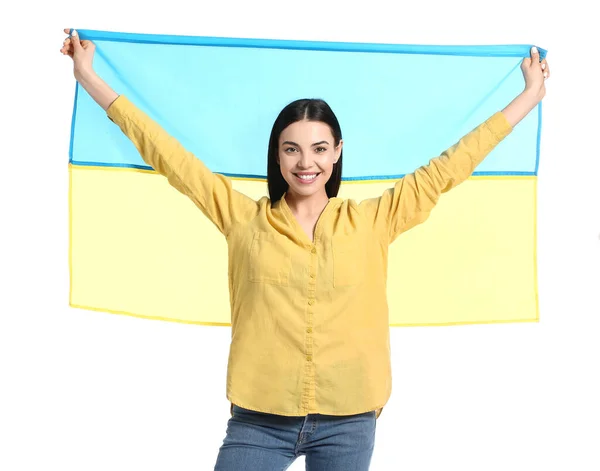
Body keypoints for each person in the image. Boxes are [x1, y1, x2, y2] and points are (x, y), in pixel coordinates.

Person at [60, 28, 550, 471]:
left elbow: (452, 164)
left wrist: (530, 95)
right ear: (276, 154)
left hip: (349, 418)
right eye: (291, 148)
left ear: (336, 152)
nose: (305, 162)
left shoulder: (374, 220)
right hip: (258, 418)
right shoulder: (242, 218)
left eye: (318, 148)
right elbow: (166, 153)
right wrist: (88, 76)